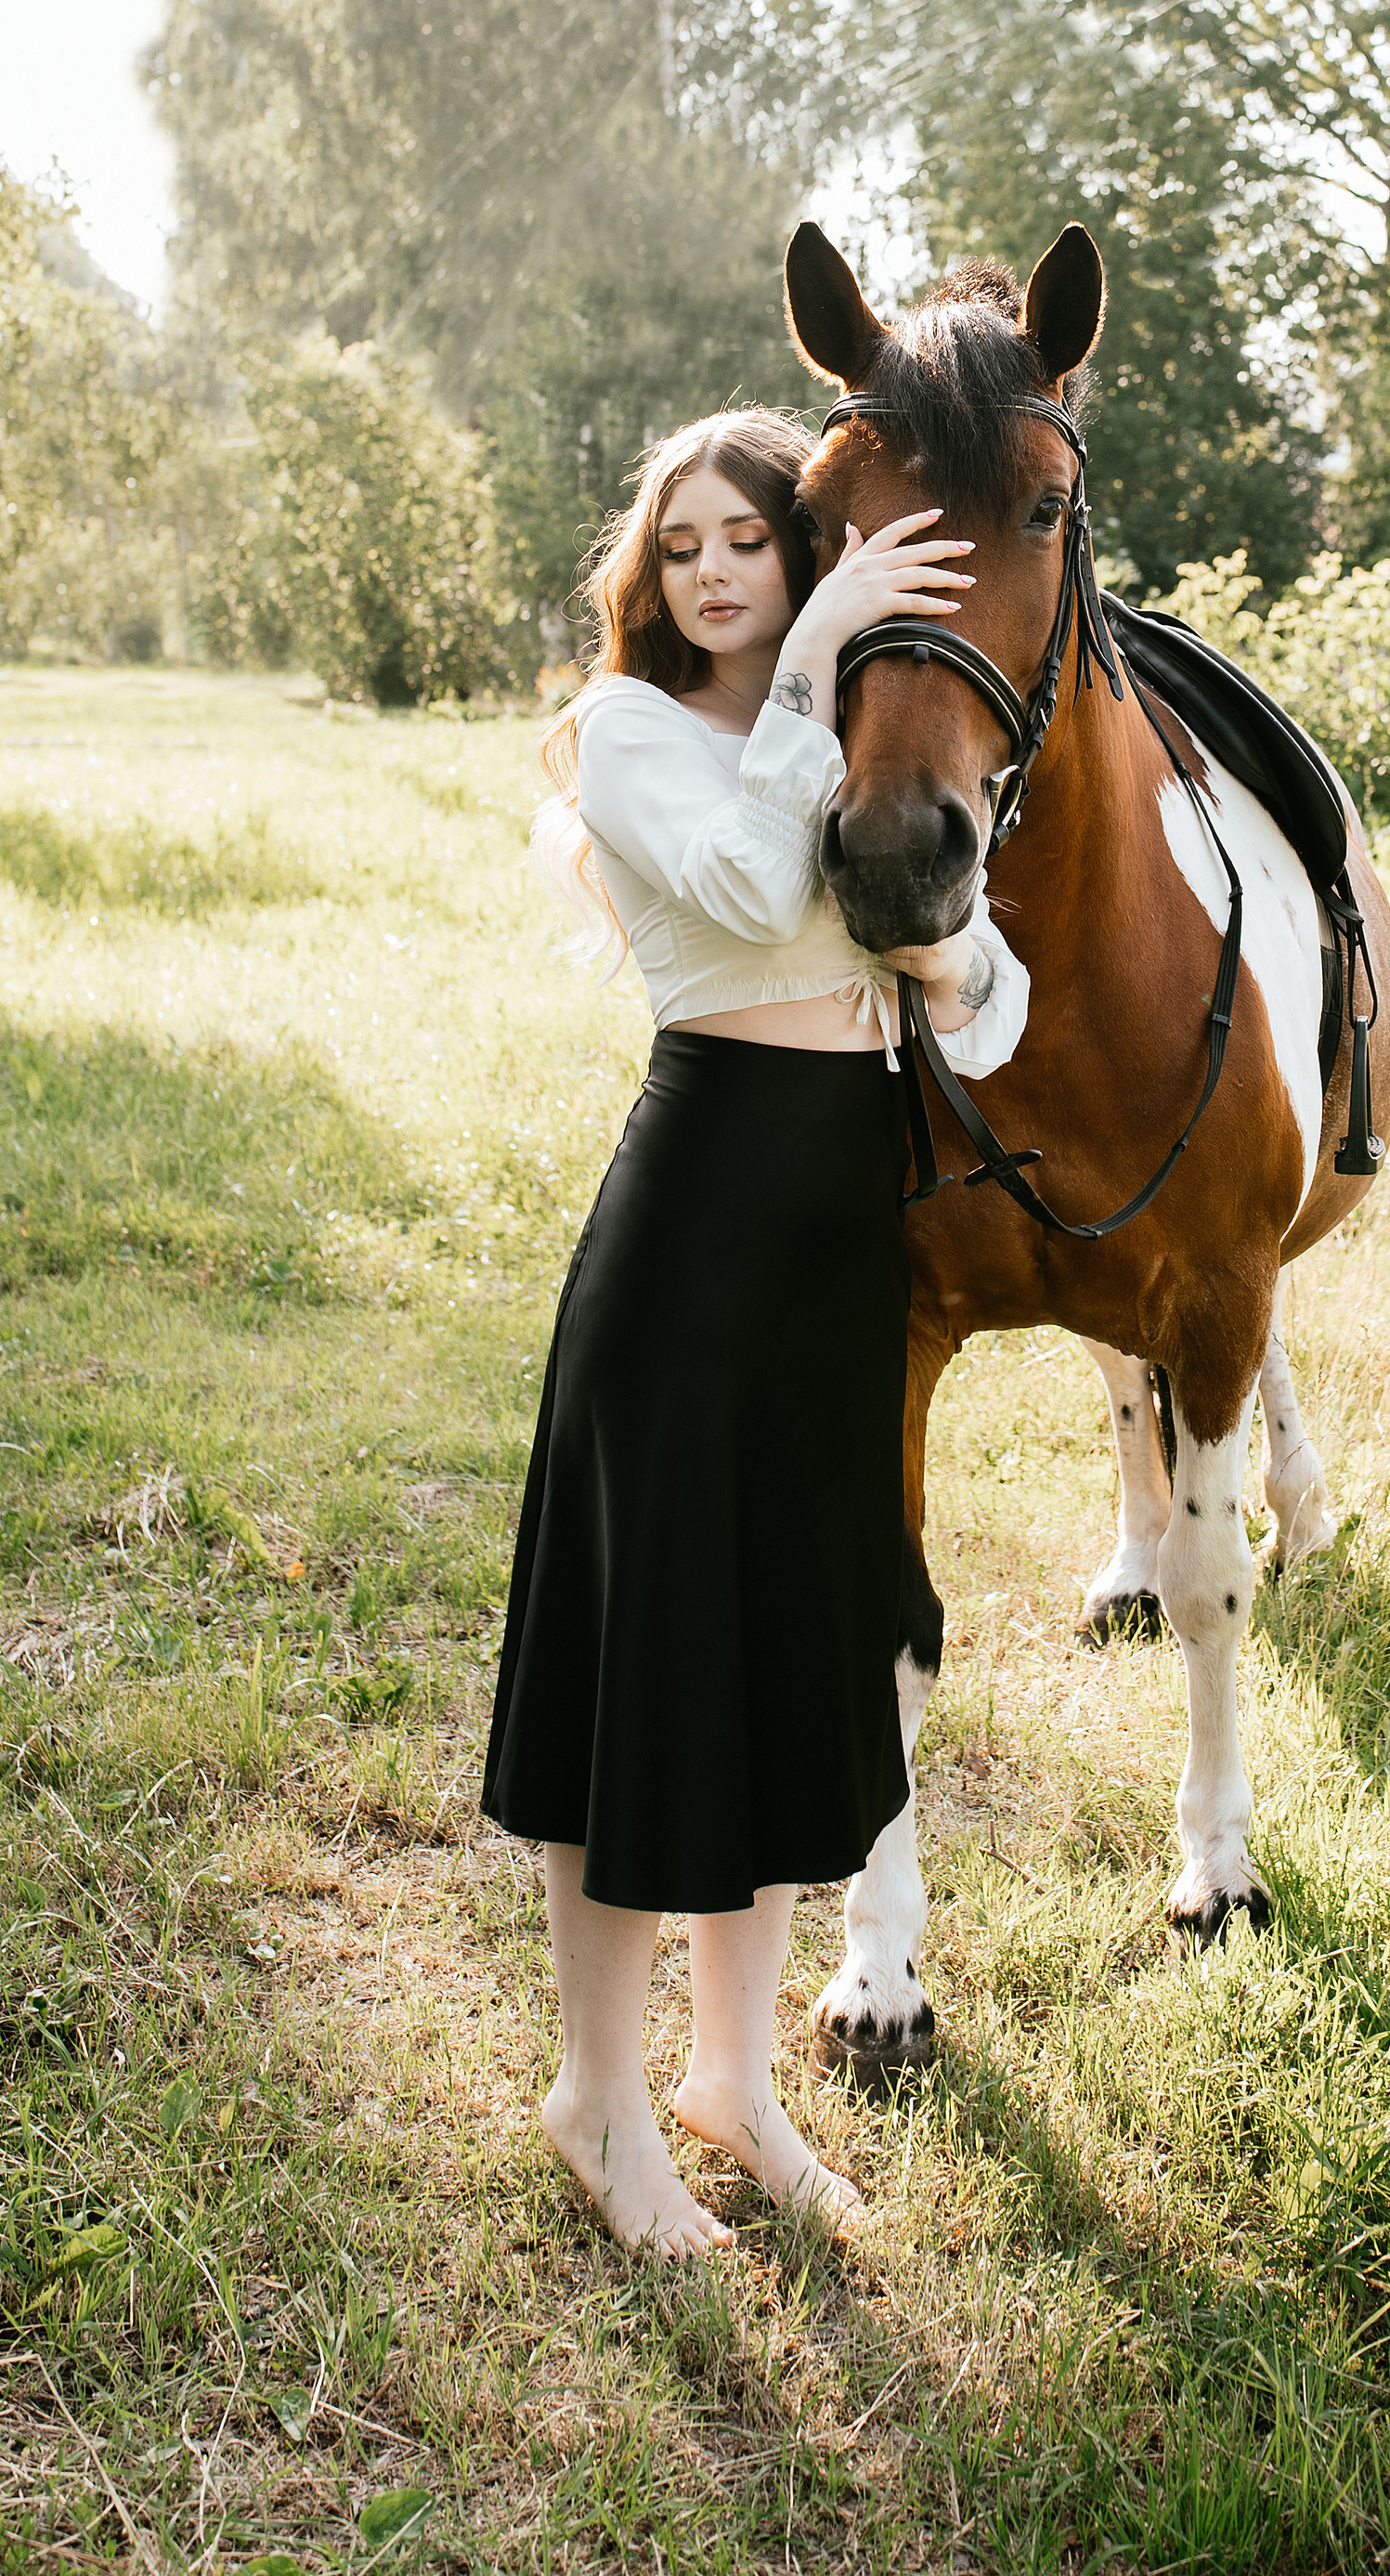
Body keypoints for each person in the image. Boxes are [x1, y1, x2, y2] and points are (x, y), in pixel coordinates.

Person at [484, 408, 1029, 2255]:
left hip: (832, 1249)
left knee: (791, 1676)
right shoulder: (633, 732)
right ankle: (598, 2096)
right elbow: (728, 891)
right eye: (687, 547)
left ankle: (732, 2082)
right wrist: (804, 662)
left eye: (752, 541)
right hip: (697, 1227)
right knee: (652, 1678)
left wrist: (943, 949)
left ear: (805, 546)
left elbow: (993, 1005)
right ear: (651, 574)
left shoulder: (861, 739)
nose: (718, 571)